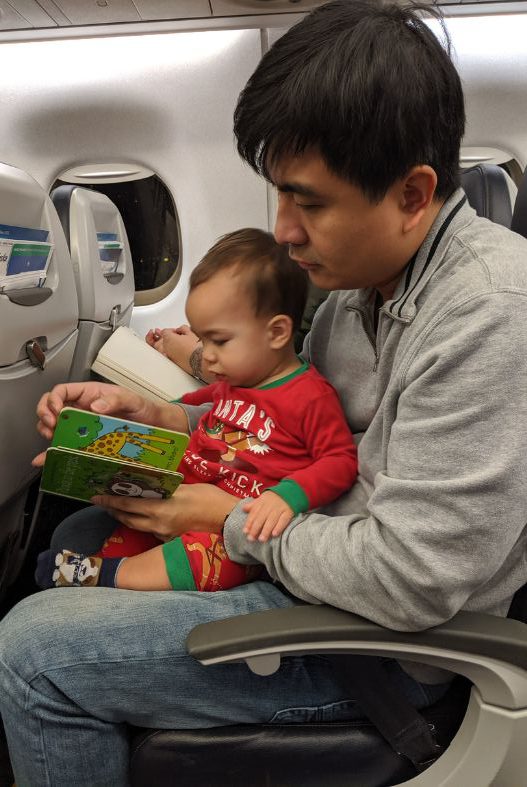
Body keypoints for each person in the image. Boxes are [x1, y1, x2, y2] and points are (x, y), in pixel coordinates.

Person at [1, 1, 527, 784]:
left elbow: (411, 580)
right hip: (309, 560)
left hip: (375, 645)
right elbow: (273, 418)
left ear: (413, 195)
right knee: (79, 528)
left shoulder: (490, 315)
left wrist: (227, 518)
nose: (281, 230)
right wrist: (158, 416)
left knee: (30, 651)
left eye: (307, 201)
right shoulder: (355, 294)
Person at [34, 228, 357, 592]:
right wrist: (108, 432)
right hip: (185, 491)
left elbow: (340, 460)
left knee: (203, 557)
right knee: (134, 521)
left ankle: (104, 576)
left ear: (278, 332)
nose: (207, 354)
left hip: (236, 522)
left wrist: (287, 496)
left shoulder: (310, 396)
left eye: (219, 341)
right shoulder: (232, 385)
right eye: (202, 339)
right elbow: (172, 414)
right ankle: (94, 518)